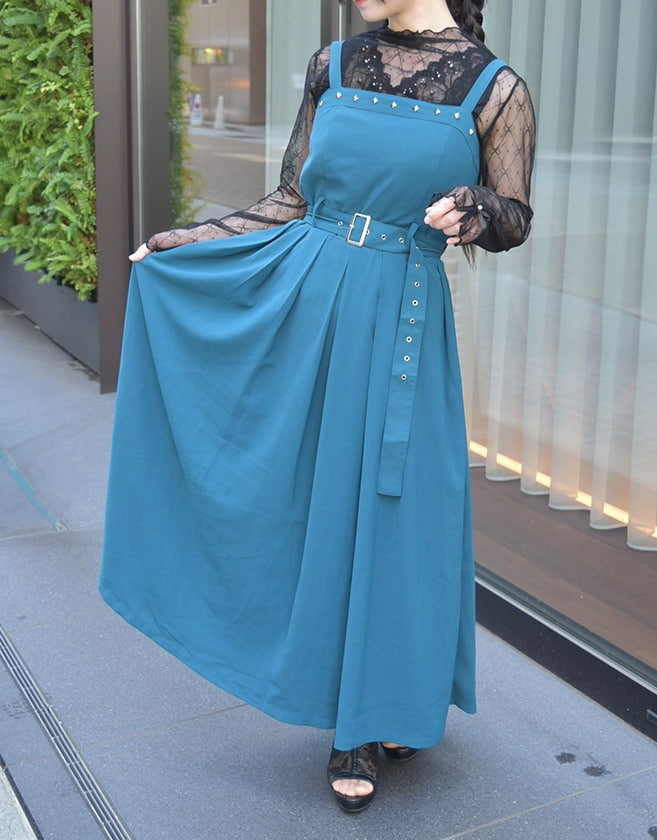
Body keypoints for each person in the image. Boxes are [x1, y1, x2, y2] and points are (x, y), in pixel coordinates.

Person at [100, 0, 535, 814]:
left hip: (401, 316)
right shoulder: (333, 66)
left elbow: (515, 217)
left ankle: (376, 713)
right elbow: (290, 199)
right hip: (307, 299)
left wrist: (477, 211)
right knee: (309, 502)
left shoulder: (494, 88)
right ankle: (341, 699)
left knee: (396, 517)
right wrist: (184, 241)